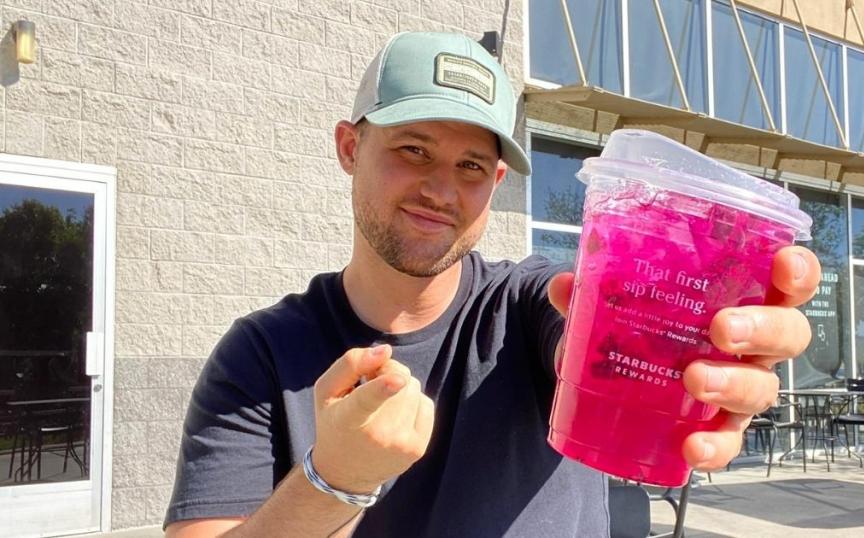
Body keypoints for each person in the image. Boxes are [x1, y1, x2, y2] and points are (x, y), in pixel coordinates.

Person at [164, 31, 821, 537]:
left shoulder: (526, 303)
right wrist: (333, 482)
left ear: (497, 184)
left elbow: (580, 334)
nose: (442, 189)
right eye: (413, 150)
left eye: (472, 165)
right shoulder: (262, 354)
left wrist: (696, 350)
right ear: (349, 148)